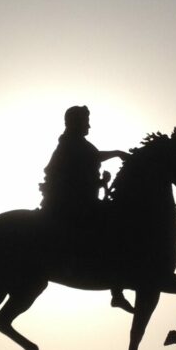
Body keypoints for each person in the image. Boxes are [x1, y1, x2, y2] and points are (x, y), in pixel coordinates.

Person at [40, 106, 133, 313]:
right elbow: (87, 164)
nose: (88, 125)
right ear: (75, 122)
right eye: (86, 121)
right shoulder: (70, 145)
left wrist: (100, 183)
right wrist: (117, 154)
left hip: (82, 199)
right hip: (72, 203)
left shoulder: (76, 144)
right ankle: (116, 291)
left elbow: (85, 169)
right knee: (114, 228)